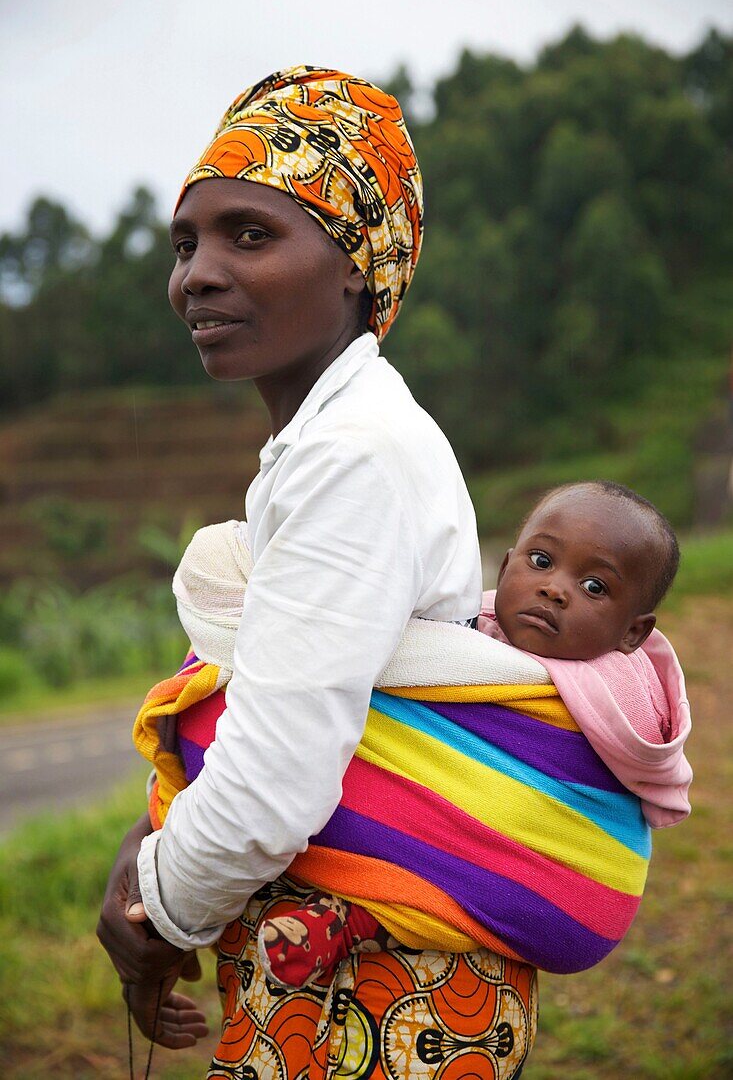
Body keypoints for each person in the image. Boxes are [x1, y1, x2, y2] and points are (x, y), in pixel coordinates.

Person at [98, 67, 539, 1079]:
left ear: (357, 265)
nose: (196, 274)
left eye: (248, 234)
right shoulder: (334, 442)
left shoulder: (355, 455)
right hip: (348, 971)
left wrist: (153, 907)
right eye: (186, 243)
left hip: (371, 994)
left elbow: (271, 785)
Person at [132, 479, 692, 996]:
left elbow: (608, 792)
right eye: (541, 561)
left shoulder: (620, 695)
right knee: (406, 872)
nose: (554, 589)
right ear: (504, 567)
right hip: (403, 880)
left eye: (594, 586)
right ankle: (350, 919)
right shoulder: (459, 632)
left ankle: (357, 921)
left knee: (446, 894)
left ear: (634, 632)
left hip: (523, 891)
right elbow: (384, 676)